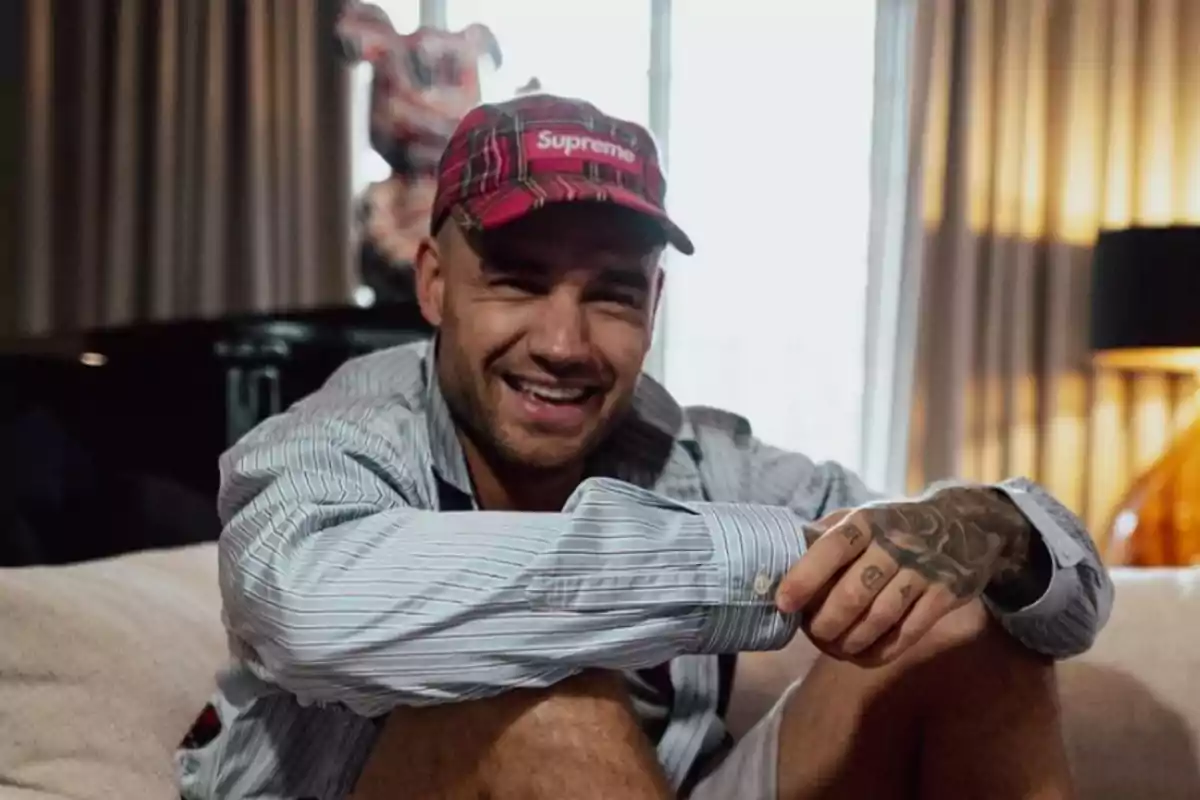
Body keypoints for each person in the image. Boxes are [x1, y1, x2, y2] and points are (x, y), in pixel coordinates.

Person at [176, 94, 1113, 800]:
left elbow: (1065, 612)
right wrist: (778, 558)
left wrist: (987, 525)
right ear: (433, 283)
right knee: (550, 702)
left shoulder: (692, 455)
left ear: (654, 307)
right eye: (516, 280)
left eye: (613, 292)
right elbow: (306, 605)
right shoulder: (335, 441)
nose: (563, 343)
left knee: (956, 623)